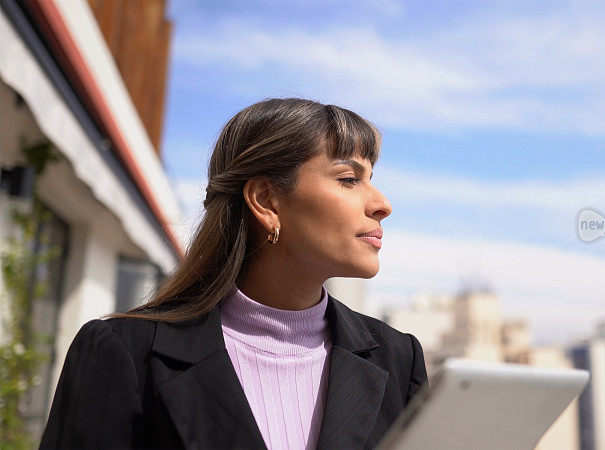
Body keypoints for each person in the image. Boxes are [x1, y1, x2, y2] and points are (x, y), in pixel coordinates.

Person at [39, 98, 428, 450]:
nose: (382, 204)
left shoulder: (399, 359)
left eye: (371, 179)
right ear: (265, 200)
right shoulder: (124, 352)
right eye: (348, 179)